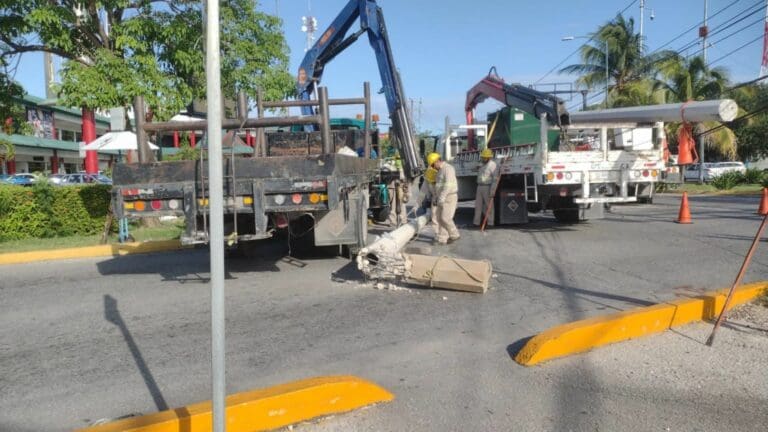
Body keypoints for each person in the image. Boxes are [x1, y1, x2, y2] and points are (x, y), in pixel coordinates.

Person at [428, 152, 460, 245]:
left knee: (445, 218)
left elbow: (448, 185)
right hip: (441, 197)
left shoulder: (448, 169)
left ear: (437, 161)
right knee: (440, 219)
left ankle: (455, 234)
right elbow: (438, 186)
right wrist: (436, 197)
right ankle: (442, 238)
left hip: (449, 197)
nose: (433, 167)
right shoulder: (440, 171)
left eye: (433, 165)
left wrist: (442, 197)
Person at [474, 148, 498, 227]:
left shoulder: (493, 165)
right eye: (482, 157)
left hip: (487, 187)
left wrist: (492, 190)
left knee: (489, 206)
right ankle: (476, 222)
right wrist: (477, 167)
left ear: (489, 157)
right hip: (479, 186)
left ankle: (490, 223)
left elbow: (495, 179)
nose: (483, 158)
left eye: (484, 157)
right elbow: (473, 170)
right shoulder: (481, 164)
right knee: (478, 206)